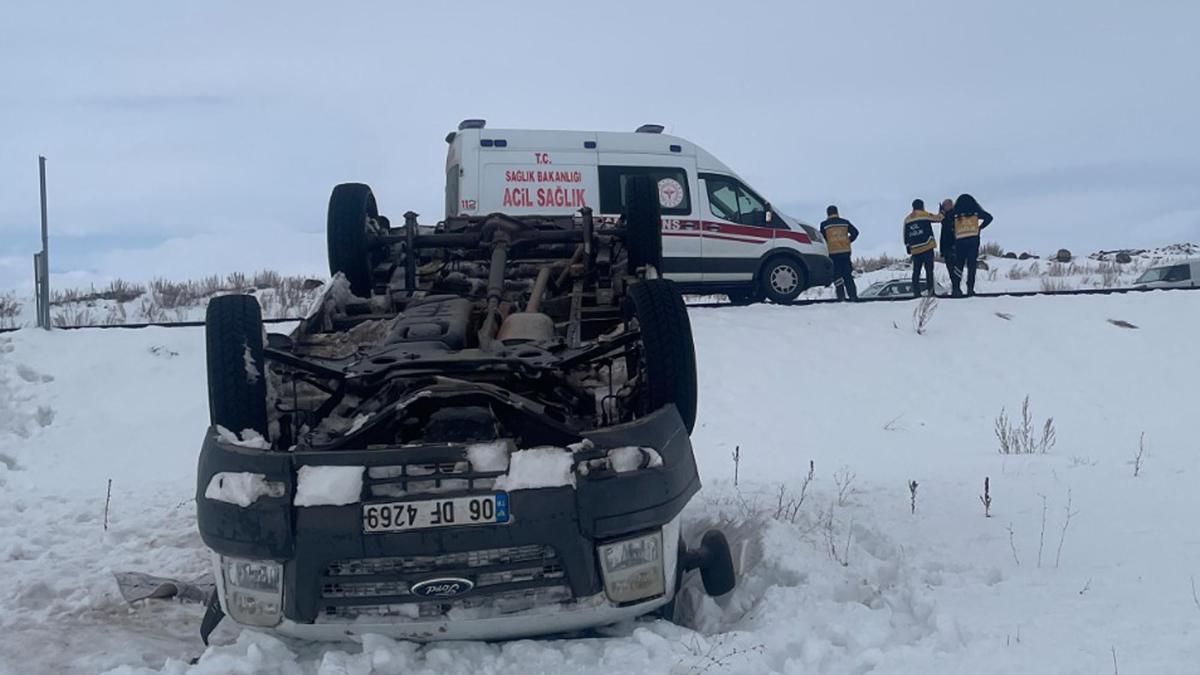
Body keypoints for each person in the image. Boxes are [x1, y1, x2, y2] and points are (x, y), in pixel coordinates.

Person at [947, 193, 993, 296]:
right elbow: (989, 217)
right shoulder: (975, 212)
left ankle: (956, 288)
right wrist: (980, 227)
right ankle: (970, 289)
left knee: (959, 265)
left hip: (960, 241)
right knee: (972, 265)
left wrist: (953, 228)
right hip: (973, 240)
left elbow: (947, 219)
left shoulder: (955, 213)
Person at [820, 205, 859, 301]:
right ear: (837, 212)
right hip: (845, 253)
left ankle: (841, 297)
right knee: (848, 276)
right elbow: (855, 232)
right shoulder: (845, 223)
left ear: (827, 213)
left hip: (833, 253)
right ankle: (853, 296)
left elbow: (822, 238)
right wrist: (848, 241)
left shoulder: (824, 225)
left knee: (837, 277)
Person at [903, 199, 940, 297]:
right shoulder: (924, 214)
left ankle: (916, 293)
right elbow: (938, 218)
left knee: (916, 272)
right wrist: (942, 212)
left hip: (915, 249)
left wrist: (907, 246)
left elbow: (905, 234)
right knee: (929, 271)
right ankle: (931, 292)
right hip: (927, 246)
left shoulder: (907, 219)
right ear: (922, 206)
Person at [938, 198, 962, 296]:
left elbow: (946, 226)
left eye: (944, 206)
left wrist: (942, 213)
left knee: (954, 269)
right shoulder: (949, 216)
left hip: (953, 245)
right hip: (949, 246)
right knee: (952, 269)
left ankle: (956, 288)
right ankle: (956, 288)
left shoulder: (953, 215)